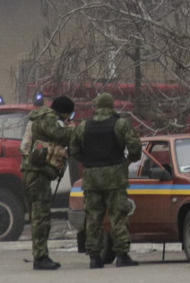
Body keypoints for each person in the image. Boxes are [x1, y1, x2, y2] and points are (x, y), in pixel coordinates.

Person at [70, 92, 142, 269]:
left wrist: (87, 161)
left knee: (93, 218)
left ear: (96, 106)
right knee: (118, 216)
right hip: (115, 177)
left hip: (92, 178)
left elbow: (73, 150)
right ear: (111, 106)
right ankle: (122, 255)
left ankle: (94, 257)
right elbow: (135, 147)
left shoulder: (83, 126)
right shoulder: (120, 124)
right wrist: (128, 160)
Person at [21, 95, 75, 271]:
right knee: (41, 217)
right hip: (37, 175)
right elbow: (59, 135)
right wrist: (73, 130)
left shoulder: (39, 117)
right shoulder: (49, 119)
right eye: (69, 114)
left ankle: (41, 255)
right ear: (64, 111)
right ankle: (41, 257)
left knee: (39, 216)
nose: (69, 118)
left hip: (34, 173)